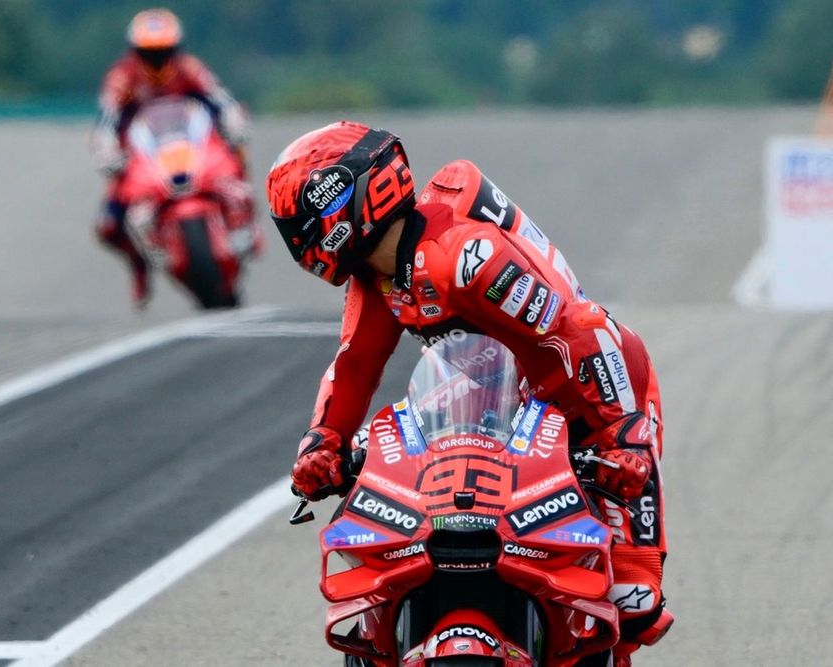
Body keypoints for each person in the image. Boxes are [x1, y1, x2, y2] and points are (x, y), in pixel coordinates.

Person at [266, 121, 673, 665]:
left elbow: (575, 329)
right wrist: (324, 442)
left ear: (349, 197)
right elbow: (354, 366)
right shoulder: (378, 277)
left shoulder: (463, 255)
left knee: (631, 602)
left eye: (299, 218)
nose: (296, 235)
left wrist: (621, 435)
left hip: (599, 391)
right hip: (495, 389)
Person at [89, 8, 258, 308]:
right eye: (149, 53)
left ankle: (243, 228)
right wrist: (107, 151)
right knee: (108, 224)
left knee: (237, 170)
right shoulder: (122, 77)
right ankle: (139, 263)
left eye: (164, 52)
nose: (157, 60)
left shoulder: (189, 68)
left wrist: (235, 124)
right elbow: (106, 119)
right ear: (135, 52)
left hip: (192, 146)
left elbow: (221, 99)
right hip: (143, 155)